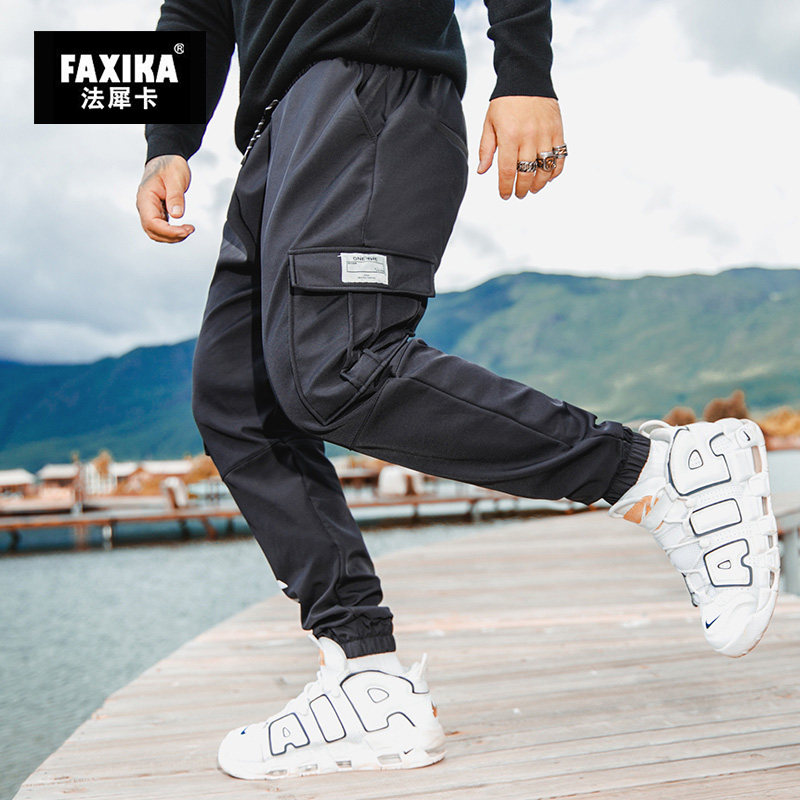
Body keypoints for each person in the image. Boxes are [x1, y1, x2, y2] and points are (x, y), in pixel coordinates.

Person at [136, 0, 780, 781]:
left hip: (365, 71)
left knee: (336, 367)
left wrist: (525, 69)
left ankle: (655, 471)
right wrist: (166, 141)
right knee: (238, 403)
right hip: (277, 124)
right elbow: (193, 11)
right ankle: (365, 677)